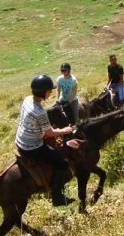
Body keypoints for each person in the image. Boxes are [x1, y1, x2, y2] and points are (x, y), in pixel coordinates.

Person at [15, 74, 81, 206]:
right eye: (49, 90)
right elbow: (50, 133)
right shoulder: (40, 111)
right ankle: (57, 196)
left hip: (20, 140)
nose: (51, 92)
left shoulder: (28, 99)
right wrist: (65, 130)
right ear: (44, 92)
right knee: (62, 163)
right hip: (32, 146)